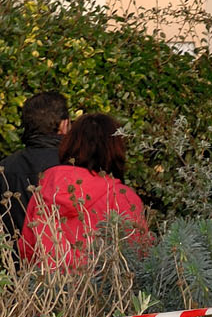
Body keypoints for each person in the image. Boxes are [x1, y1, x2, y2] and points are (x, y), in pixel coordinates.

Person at [17, 112, 150, 269]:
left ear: (70, 143)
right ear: (115, 149)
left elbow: (27, 249)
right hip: (104, 289)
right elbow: (139, 255)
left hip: (50, 289)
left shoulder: (47, 188)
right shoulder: (123, 197)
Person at [0, 92, 70, 254]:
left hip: (14, 269)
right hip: (68, 269)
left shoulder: (4, 169)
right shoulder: (78, 166)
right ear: (64, 125)